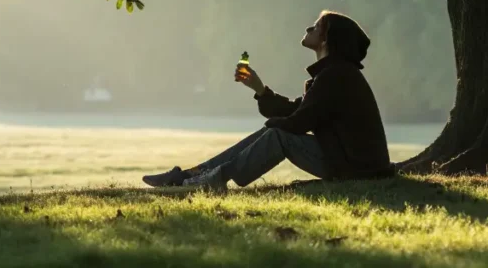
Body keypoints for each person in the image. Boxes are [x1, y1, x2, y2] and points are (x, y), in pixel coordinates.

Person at [142, 10, 394, 191]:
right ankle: (192, 176)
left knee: (276, 135)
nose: (308, 29)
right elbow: (299, 111)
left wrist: (271, 126)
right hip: (346, 161)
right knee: (276, 131)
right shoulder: (334, 74)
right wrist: (260, 89)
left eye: (316, 27)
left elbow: (298, 122)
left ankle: (201, 179)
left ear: (326, 40)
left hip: (354, 168)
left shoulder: (336, 76)